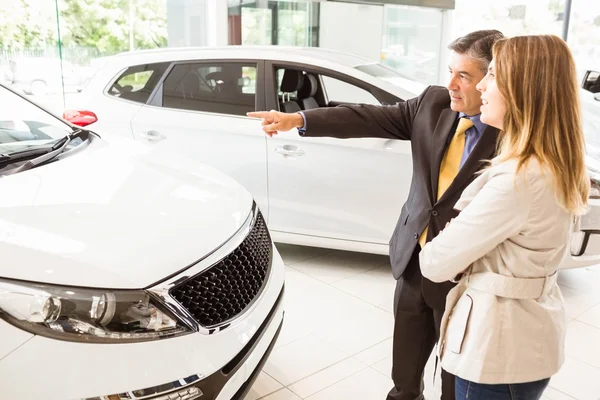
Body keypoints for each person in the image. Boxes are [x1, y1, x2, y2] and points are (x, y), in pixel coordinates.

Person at [248, 29, 504, 400]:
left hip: (469, 277)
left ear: (493, 79)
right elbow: (367, 117)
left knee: (457, 382)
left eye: (464, 75)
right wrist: (299, 120)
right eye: (450, 71)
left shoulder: (516, 133)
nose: (450, 84)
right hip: (415, 262)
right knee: (404, 379)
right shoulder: (433, 104)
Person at [418, 34, 590, 400]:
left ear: (522, 90)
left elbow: (434, 261)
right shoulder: (551, 164)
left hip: (497, 355)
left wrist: (456, 239)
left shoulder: (519, 180)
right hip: (524, 344)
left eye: (492, 75)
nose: (481, 85)